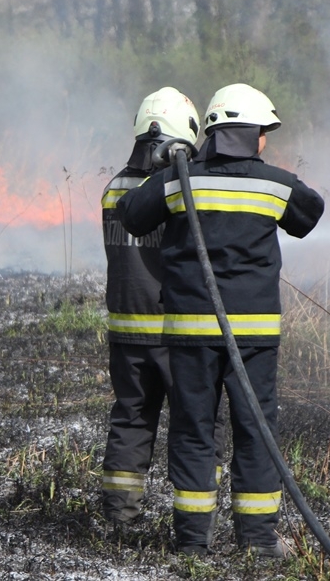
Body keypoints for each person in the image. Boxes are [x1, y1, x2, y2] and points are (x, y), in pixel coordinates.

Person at [116, 83, 325, 557]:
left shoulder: (178, 180)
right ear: (251, 134)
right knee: (256, 431)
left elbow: (131, 214)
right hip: (254, 338)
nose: (266, 140)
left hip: (190, 335)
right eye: (264, 131)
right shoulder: (276, 184)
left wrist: (167, 165)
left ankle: (193, 541)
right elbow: (310, 212)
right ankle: (258, 540)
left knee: (193, 430)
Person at [99, 87, 225, 529]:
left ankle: (119, 518)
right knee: (196, 424)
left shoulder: (113, 187)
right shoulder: (177, 187)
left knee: (131, 419)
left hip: (125, 331)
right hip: (175, 332)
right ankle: (197, 520)